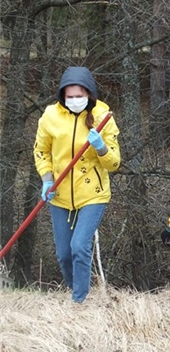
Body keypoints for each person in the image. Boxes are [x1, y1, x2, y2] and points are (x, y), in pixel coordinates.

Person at [33, 66, 121, 303]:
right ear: (62, 96)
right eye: (70, 97)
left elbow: (114, 164)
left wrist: (101, 147)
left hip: (93, 193)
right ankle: (75, 289)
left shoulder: (103, 117)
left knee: (80, 247)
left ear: (89, 95)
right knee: (64, 254)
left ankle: (79, 302)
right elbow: (41, 151)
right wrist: (47, 180)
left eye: (79, 96)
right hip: (58, 193)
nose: (74, 101)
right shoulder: (50, 116)